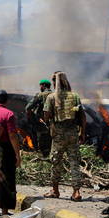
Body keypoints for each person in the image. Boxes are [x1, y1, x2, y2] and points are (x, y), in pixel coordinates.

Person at [43, 71, 86, 201]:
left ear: (54, 82)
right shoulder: (75, 96)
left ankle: (55, 190)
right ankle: (76, 192)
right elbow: (82, 117)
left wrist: (48, 120)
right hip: (73, 133)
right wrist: (82, 133)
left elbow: (46, 115)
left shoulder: (51, 97)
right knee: (74, 162)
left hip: (58, 135)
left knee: (56, 161)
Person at [0, 90, 21, 215]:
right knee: (6, 178)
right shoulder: (9, 114)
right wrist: (17, 154)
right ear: (7, 101)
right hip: (5, 150)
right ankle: (4, 210)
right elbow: (12, 135)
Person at [25, 79, 53, 157]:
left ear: (43, 85)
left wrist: (30, 117)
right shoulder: (54, 95)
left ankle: (41, 155)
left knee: (40, 140)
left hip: (41, 122)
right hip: (54, 123)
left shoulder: (40, 95)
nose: (40, 87)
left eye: (40, 85)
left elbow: (28, 107)